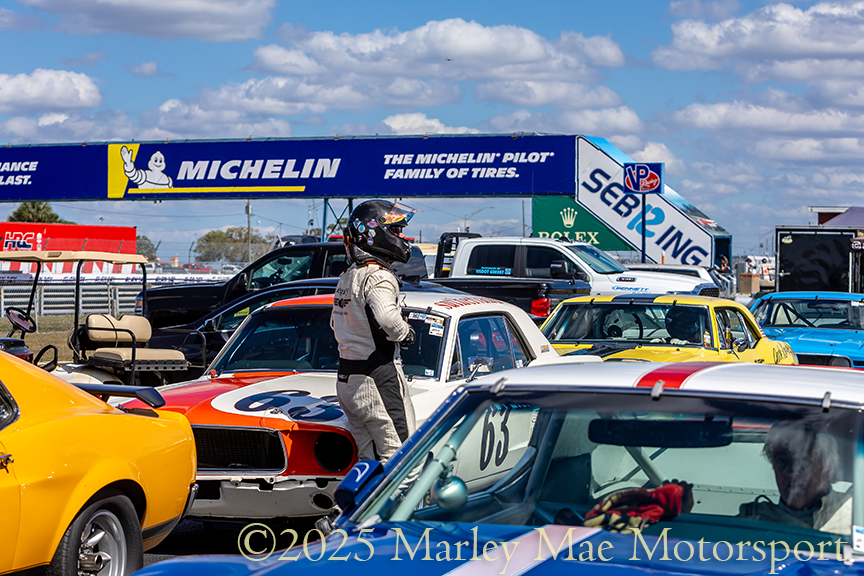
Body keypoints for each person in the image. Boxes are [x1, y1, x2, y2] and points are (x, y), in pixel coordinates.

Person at [330, 199, 418, 464]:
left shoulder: (347, 276)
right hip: (378, 375)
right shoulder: (378, 276)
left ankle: (363, 506)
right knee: (401, 457)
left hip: (347, 377)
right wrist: (407, 333)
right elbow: (388, 319)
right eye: (396, 230)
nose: (403, 237)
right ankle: (397, 506)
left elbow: (335, 323)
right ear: (373, 232)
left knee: (367, 459)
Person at [738, 419, 851, 533]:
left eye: (803, 462)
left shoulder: (852, 514)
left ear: (828, 468)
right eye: (782, 461)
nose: (792, 472)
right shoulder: (752, 522)